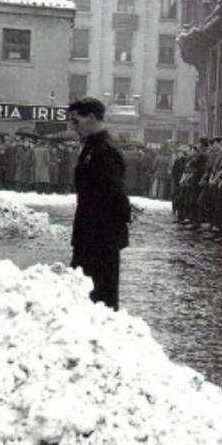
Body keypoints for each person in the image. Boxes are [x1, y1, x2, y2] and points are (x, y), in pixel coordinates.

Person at [68, 97, 131, 310]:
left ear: (92, 118)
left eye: (76, 121)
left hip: (101, 236)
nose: (73, 127)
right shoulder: (92, 147)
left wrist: (122, 220)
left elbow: (114, 193)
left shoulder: (104, 150)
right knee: (83, 289)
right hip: (90, 232)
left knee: (101, 295)